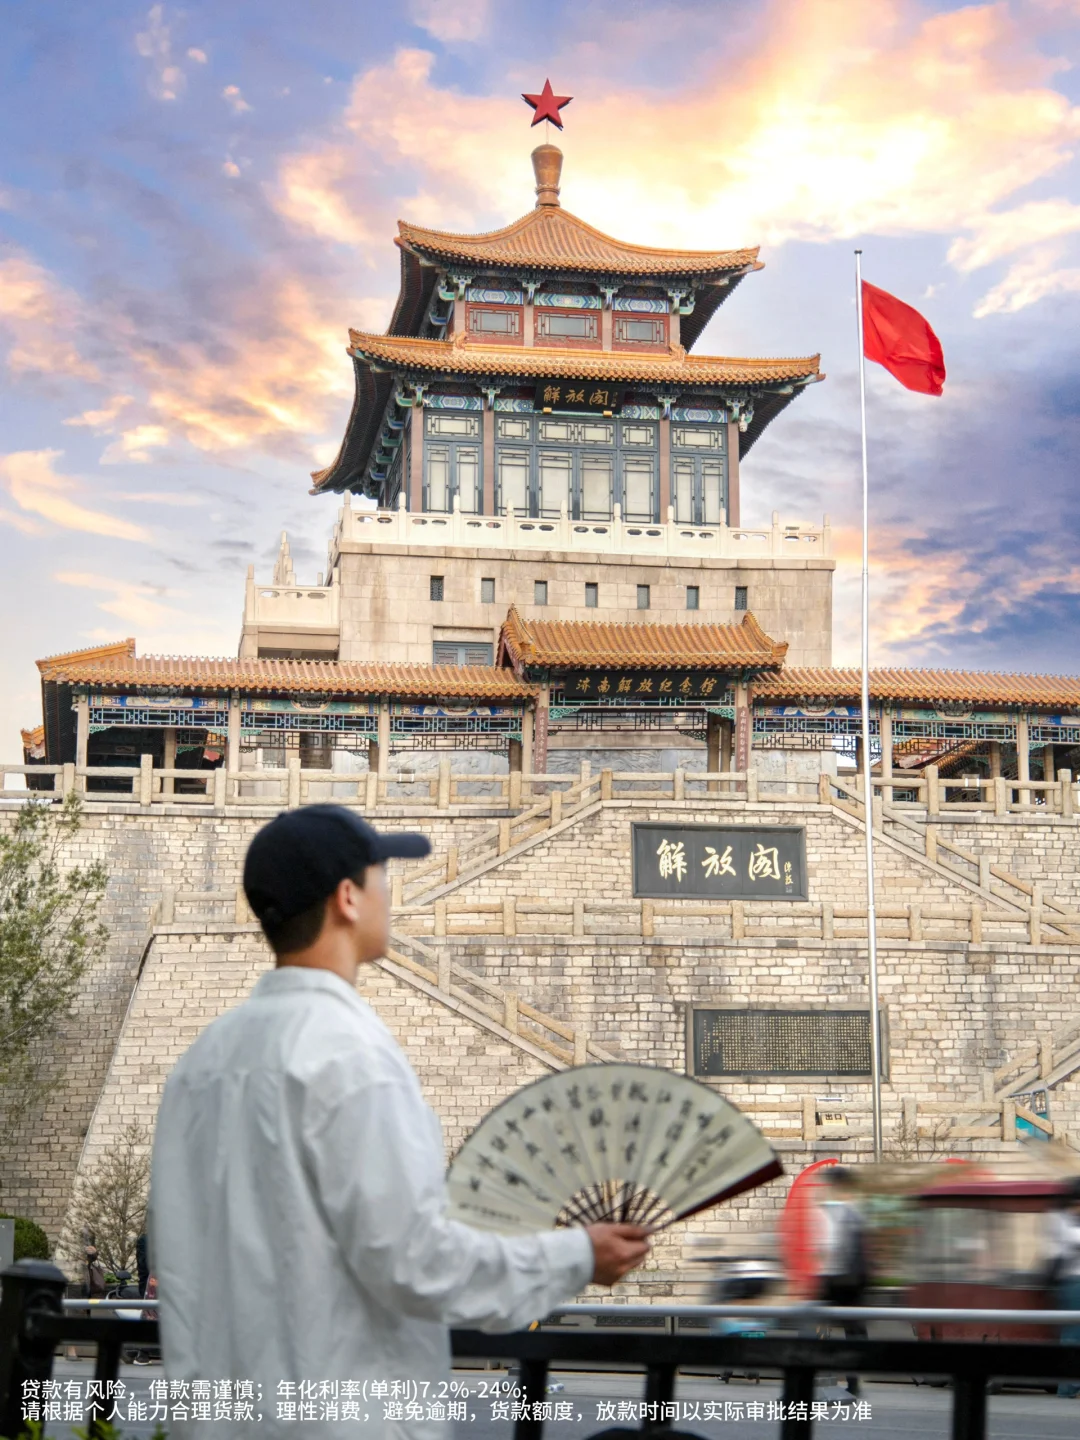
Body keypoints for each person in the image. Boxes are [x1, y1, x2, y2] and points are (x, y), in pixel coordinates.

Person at [149, 806, 650, 1438]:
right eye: (382, 874)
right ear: (348, 897)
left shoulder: (201, 1062)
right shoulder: (350, 1053)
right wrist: (575, 1256)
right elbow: (414, 1260)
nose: (390, 892)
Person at [816, 1166, 869, 1397]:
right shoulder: (854, 1212)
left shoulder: (839, 1213)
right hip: (849, 1281)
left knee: (816, 1327)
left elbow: (831, 1247)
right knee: (852, 1332)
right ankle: (853, 1382)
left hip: (838, 1281)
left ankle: (816, 1380)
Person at [1050, 1177, 1080, 1399]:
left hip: (1070, 1282)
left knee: (1072, 1335)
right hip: (1073, 1283)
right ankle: (1068, 1387)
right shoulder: (1064, 1221)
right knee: (1072, 1335)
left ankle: (1068, 1387)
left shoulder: (1063, 1219)